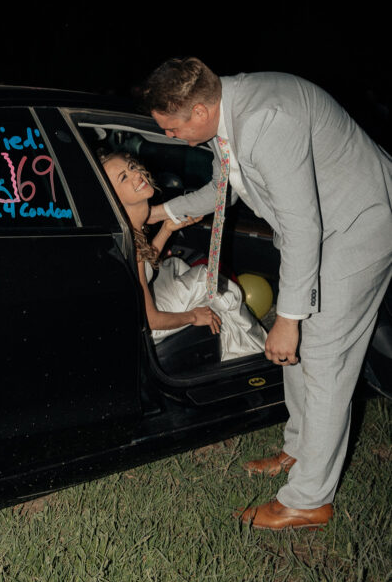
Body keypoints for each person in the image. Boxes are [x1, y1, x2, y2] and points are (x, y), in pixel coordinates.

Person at [136, 57, 392, 530]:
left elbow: (301, 226)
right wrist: (164, 212)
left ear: (197, 112)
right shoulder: (226, 113)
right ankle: (299, 449)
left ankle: (308, 500)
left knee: (325, 356)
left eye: (170, 128)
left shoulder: (266, 121)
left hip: (359, 227)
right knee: (292, 352)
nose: (169, 137)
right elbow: (223, 187)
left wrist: (290, 318)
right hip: (325, 228)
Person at [101, 153, 267, 360]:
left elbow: (141, 266)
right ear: (112, 198)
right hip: (146, 327)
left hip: (138, 311)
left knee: (174, 266)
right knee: (207, 280)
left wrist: (167, 229)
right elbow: (150, 320)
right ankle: (257, 352)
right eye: (123, 177)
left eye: (132, 167)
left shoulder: (128, 228)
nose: (136, 174)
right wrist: (193, 316)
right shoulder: (128, 240)